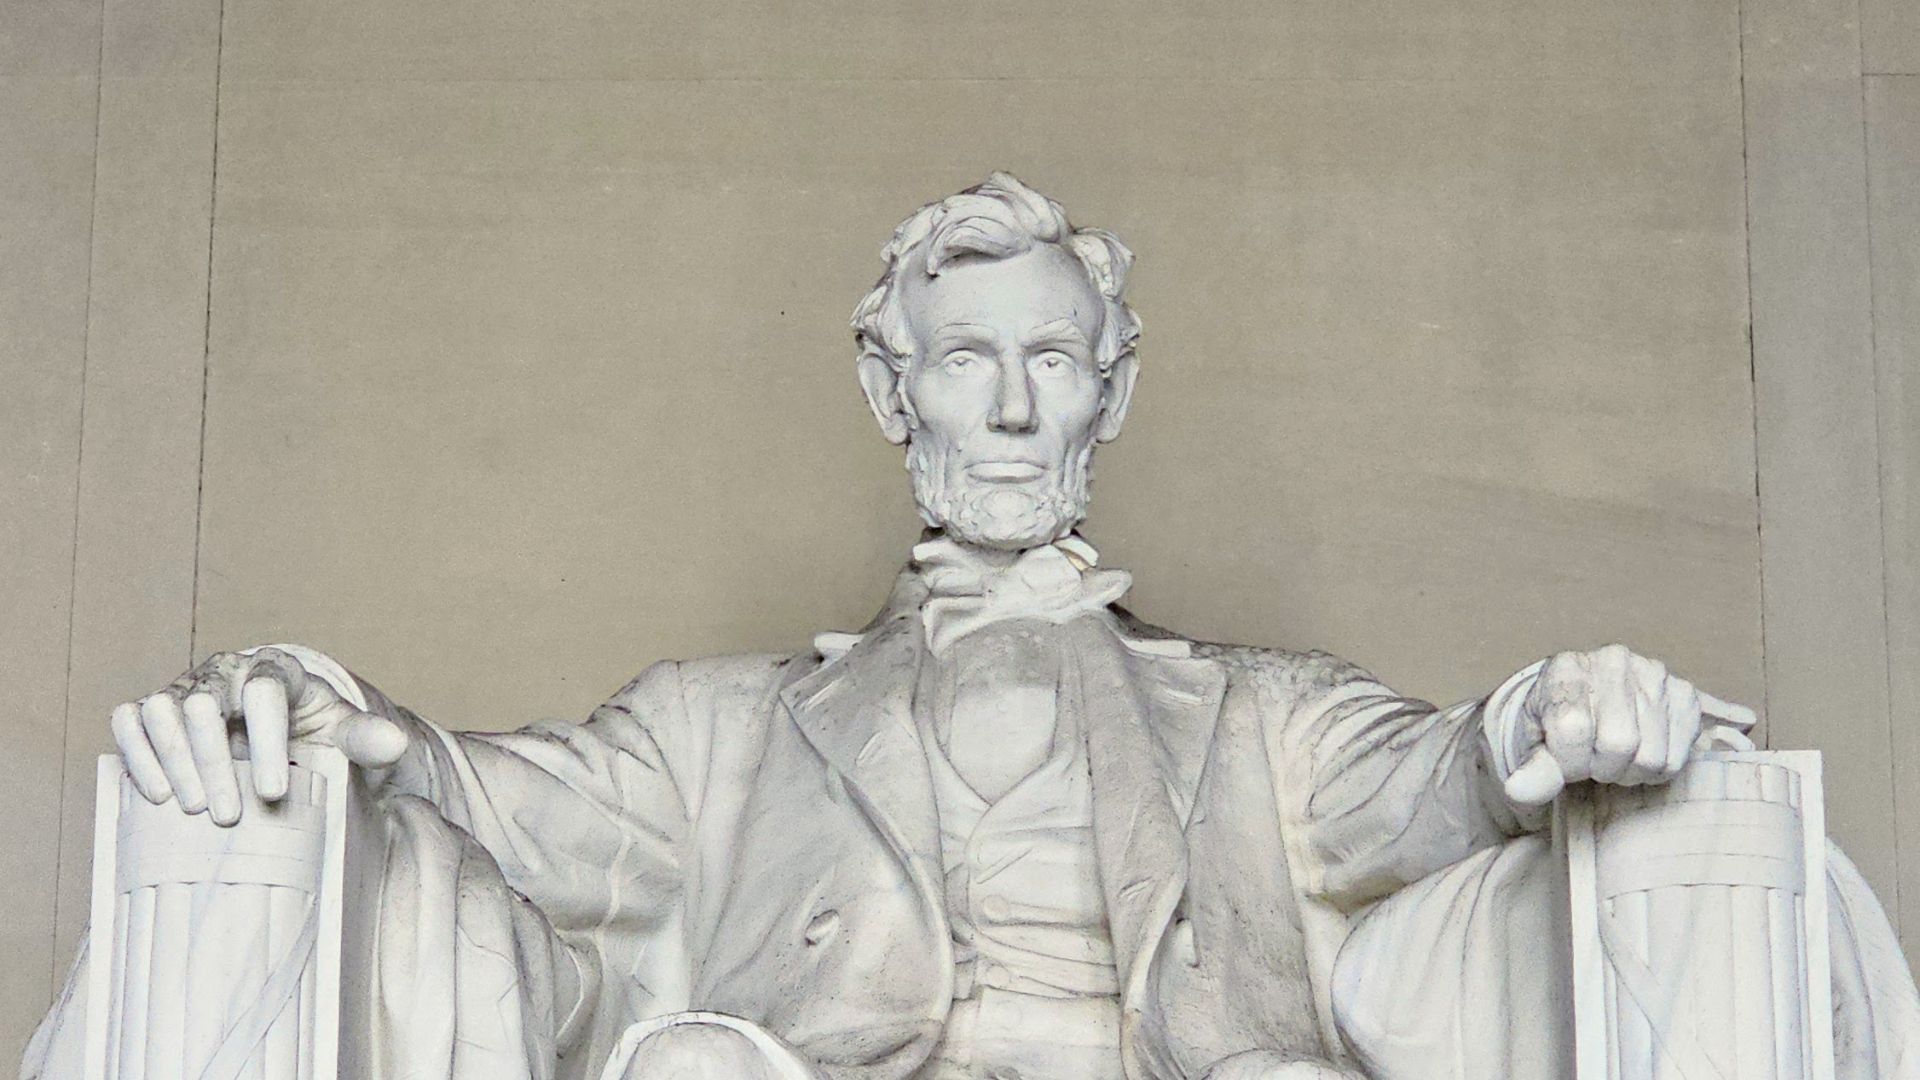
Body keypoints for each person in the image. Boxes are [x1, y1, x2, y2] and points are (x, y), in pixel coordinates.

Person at [26, 173, 1920, 1080]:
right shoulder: (722, 726)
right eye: (964, 365)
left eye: (1051, 364)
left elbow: (1435, 783)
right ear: (892, 395)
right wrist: (284, 699)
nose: (1010, 411)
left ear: (1110, 391)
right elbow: (460, 787)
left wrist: (1548, 718)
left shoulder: (1251, 716)